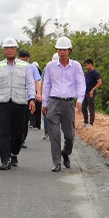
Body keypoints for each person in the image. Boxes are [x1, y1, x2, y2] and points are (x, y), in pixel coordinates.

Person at [0, 37, 36, 170]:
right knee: (3, 132)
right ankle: (5, 159)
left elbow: (31, 83)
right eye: (6, 48)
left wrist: (32, 99)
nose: (9, 51)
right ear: (3, 51)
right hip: (3, 103)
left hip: (19, 102)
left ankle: (14, 152)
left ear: (16, 50)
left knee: (18, 132)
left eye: (12, 48)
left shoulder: (25, 66)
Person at [42, 37, 85, 172]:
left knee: (69, 135)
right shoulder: (50, 66)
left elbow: (81, 83)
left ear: (69, 50)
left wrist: (80, 99)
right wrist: (45, 102)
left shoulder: (76, 66)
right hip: (54, 102)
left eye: (65, 49)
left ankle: (65, 152)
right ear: (57, 51)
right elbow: (47, 85)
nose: (62, 52)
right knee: (54, 134)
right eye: (60, 50)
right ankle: (56, 162)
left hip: (68, 103)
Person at [18, 49, 41, 149]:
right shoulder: (15, 66)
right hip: (16, 96)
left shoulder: (32, 68)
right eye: (22, 60)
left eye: (26, 60)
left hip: (27, 97)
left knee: (25, 120)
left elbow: (37, 81)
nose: (24, 62)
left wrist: (38, 94)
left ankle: (22, 139)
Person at [82, 58, 103, 126]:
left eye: (86, 65)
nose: (86, 67)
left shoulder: (95, 73)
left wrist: (93, 90)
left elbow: (99, 83)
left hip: (91, 93)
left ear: (90, 64)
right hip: (85, 92)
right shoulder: (88, 73)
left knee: (91, 108)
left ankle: (91, 123)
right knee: (83, 107)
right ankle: (85, 121)